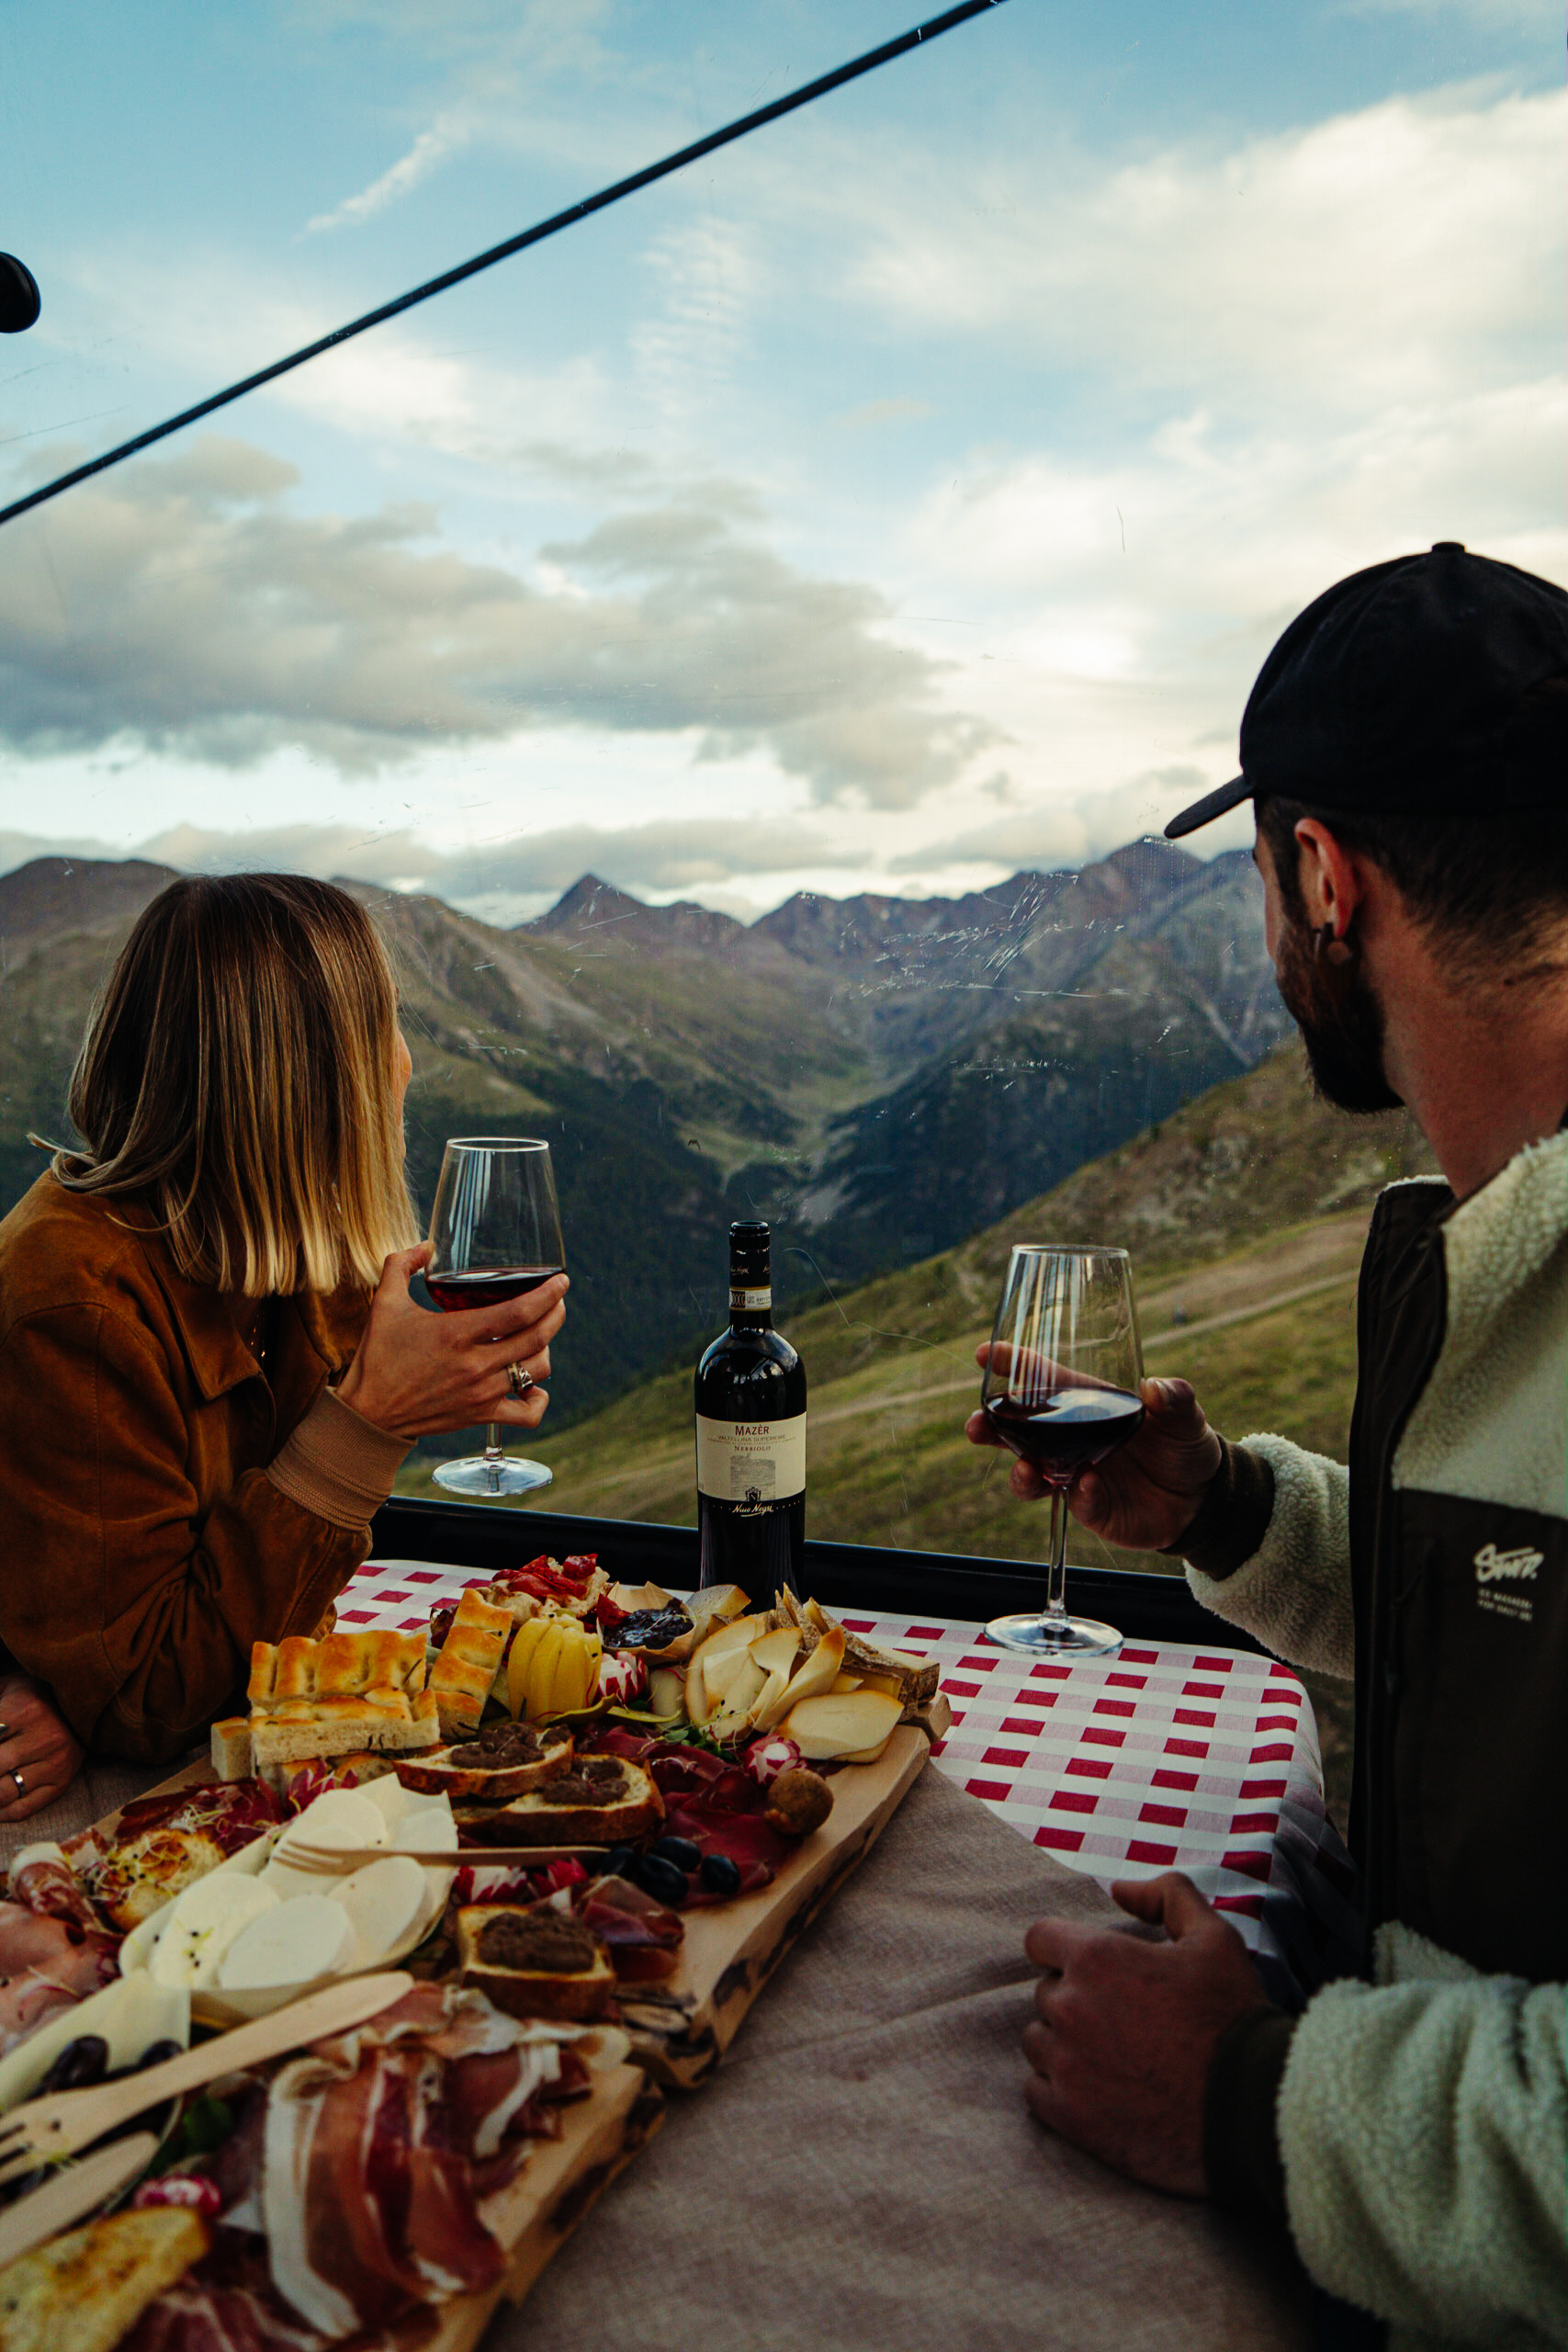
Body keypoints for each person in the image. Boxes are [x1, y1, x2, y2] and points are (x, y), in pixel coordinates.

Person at [967, 544, 1567, 2351]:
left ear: (1319, 874)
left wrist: (1250, 2092)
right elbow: (1506, 1661)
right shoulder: (1478, 1250)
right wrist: (1223, 1505)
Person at [0, 874, 568, 1815]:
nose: (406, 1064)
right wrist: (372, 1423)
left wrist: (433, 1383)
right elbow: (150, 1703)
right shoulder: (76, 1304)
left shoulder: (290, 1251)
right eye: (383, 1030)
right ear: (311, 1083)